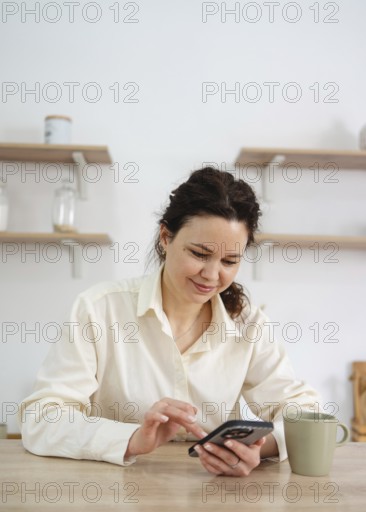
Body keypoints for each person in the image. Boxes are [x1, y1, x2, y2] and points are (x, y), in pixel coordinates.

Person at [19, 166, 321, 477]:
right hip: (115, 499)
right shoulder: (99, 310)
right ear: (166, 237)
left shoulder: (249, 325)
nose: (213, 274)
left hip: (216, 500)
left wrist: (261, 446)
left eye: (230, 261)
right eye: (200, 253)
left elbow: (305, 414)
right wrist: (132, 439)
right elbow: (43, 419)